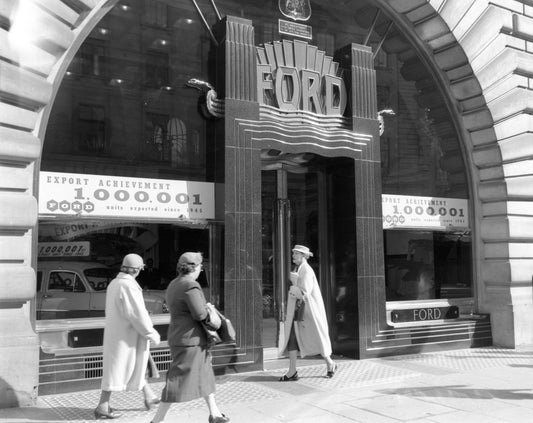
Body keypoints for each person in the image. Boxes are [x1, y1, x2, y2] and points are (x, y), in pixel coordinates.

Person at [149, 252, 229, 423]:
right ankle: (157, 420)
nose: (201, 269)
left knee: (205, 376)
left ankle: (214, 414)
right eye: (201, 266)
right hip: (190, 340)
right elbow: (200, 314)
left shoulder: (173, 283)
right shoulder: (190, 285)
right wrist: (209, 309)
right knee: (177, 381)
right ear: (196, 267)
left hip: (182, 337)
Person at [94, 253, 161, 419]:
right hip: (126, 337)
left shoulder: (115, 283)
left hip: (121, 335)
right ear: (137, 270)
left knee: (135, 366)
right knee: (117, 370)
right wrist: (151, 332)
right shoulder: (128, 286)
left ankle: (149, 396)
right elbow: (137, 313)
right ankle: (102, 406)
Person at [278, 245, 336, 381]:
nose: (293, 256)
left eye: (296, 254)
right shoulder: (299, 269)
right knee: (293, 338)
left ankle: (330, 363)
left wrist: (293, 285)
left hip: (308, 313)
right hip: (300, 312)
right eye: (293, 253)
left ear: (303, 256)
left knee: (317, 338)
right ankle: (292, 371)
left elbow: (304, 293)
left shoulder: (306, 271)